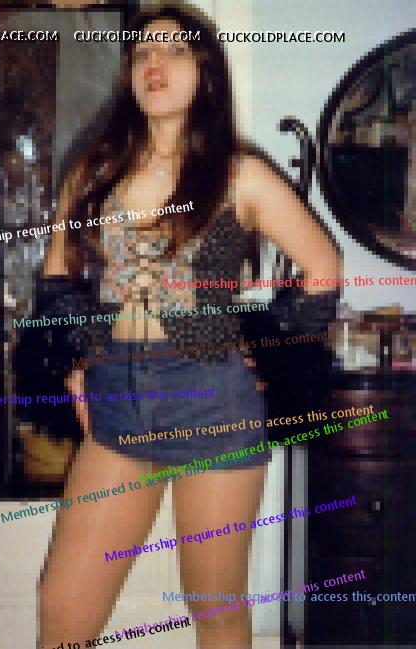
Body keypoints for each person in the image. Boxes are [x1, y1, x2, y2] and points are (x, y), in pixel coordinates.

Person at [31, 4, 341, 648]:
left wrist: (269, 350)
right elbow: (58, 281)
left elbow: (322, 266)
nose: (155, 63)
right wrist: (79, 361)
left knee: (216, 609)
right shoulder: (91, 174)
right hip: (117, 401)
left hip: (213, 400)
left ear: (205, 73)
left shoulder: (239, 174)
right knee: (63, 607)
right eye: (143, 52)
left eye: (174, 50)